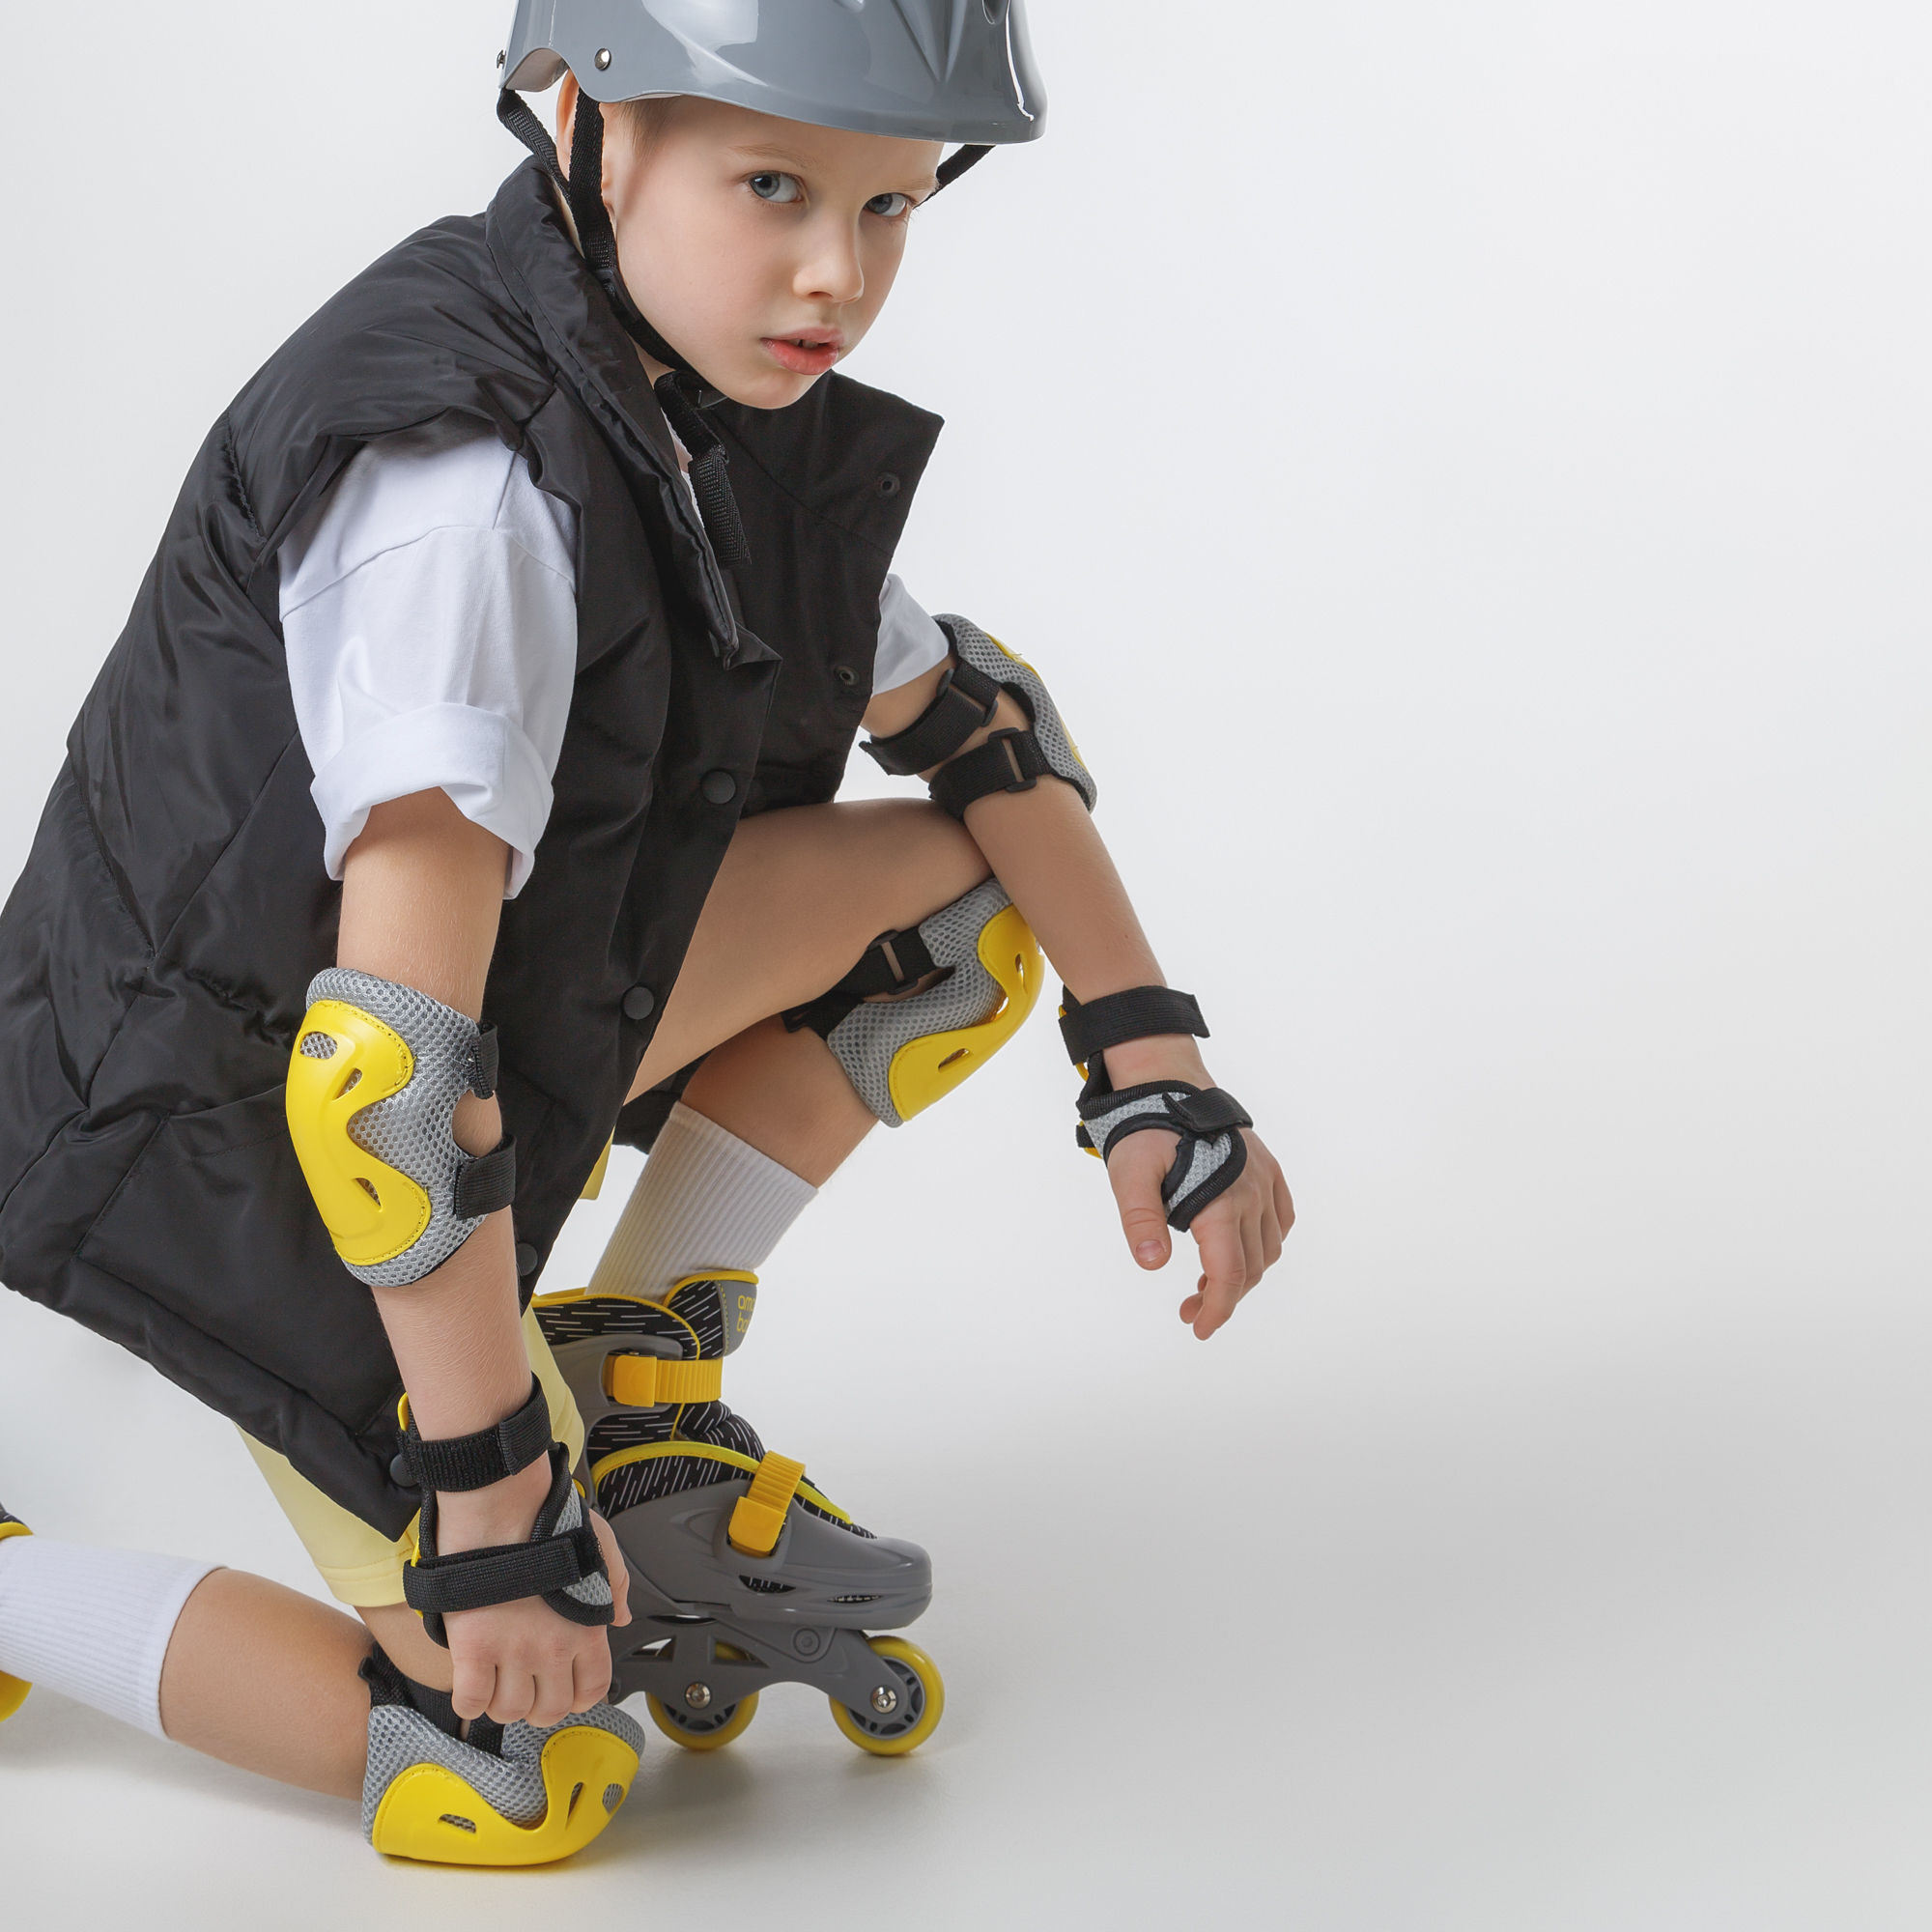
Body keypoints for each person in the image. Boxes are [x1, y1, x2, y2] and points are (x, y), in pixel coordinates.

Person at [0, 0, 1293, 1865]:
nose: (837, 274)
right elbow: (379, 1085)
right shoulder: (462, 492)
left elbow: (986, 731)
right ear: (586, 124)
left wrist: (1155, 1068)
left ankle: (633, 1372)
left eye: (891, 204)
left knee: (966, 908)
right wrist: (492, 1503)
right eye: (773, 187)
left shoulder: (688, 384)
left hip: (469, 1027)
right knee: (516, 1780)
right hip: (230, 1143)